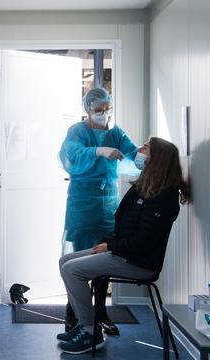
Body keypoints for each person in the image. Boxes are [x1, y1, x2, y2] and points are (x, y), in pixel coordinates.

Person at [57, 137, 190, 355]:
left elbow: (144, 241)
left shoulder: (164, 197)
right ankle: (84, 322)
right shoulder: (144, 186)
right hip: (123, 252)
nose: (139, 150)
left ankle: (91, 331)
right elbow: (124, 225)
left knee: (72, 270)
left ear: (157, 159)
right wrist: (108, 243)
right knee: (65, 261)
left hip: (138, 261)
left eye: (145, 148)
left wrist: (110, 246)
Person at [59, 87, 139, 334]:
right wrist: (99, 151)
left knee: (103, 259)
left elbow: (132, 152)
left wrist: (147, 160)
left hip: (108, 203)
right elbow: (70, 155)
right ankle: (74, 314)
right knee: (80, 259)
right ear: (87, 110)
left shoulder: (115, 132)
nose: (103, 114)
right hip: (83, 203)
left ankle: (101, 314)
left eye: (107, 109)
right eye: (98, 110)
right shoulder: (78, 131)